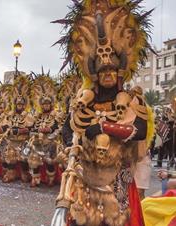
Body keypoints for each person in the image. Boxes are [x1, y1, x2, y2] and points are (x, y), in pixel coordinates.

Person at [50, 1, 152, 225]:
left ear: (119, 72)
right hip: (86, 177)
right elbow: (68, 129)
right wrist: (71, 145)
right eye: (103, 69)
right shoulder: (83, 101)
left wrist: (104, 127)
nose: (107, 73)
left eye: (111, 69)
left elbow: (140, 132)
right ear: (95, 72)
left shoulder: (132, 100)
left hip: (118, 180)